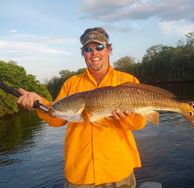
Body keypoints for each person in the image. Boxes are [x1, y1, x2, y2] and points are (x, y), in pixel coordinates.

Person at [17, 27, 147, 188]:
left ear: (108, 50)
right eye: (88, 49)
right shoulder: (71, 83)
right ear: (83, 53)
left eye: (99, 47)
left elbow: (140, 123)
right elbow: (56, 117)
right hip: (80, 173)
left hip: (118, 170)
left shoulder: (128, 81)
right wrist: (38, 103)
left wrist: (127, 118)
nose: (94, 53)